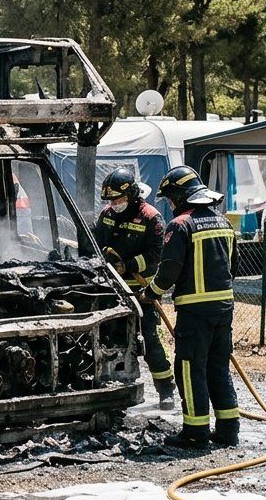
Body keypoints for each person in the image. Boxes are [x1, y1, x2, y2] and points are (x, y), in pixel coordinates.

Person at [142, 165, 240, 449]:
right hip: (224, 309)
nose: (170, 205)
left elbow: (169, 271)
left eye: (171, 199)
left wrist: (151, 293)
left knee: (189, 368)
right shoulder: (224, 223)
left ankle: (195, 432)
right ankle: (227, 430)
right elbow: (234, 268)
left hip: (195, 313)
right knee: (218, 367)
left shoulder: (181, 225)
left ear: (181, 196)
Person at [92, 168, 175, 410]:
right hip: (111, 290)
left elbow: (157, 255)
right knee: (112, 341)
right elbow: (97, 243)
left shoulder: (151, 218)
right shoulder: (107, 215)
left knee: (149, 341)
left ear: (132, 195)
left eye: (118, 199)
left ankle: (166, 389)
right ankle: (117, 389)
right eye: (111, 200)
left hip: (141, 292)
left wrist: (127, 264)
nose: (114, 204)